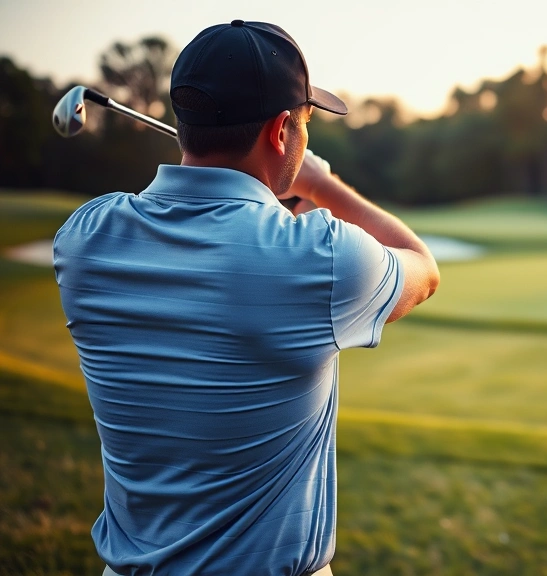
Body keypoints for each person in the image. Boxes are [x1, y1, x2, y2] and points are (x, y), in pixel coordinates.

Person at [53, 20, 439, 576]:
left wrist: (275, 198)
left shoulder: (85, 237)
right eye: (306, 124)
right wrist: (320, 185)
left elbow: (221, 243)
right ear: (282, 130)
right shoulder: (319, 256)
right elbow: (422, 268)